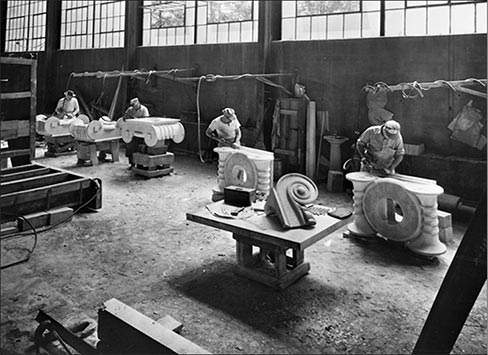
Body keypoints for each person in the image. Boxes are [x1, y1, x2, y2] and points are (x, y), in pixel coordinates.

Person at [124, 97, 150, 168]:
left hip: (141, 132)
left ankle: (140, 164)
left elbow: (146, 120)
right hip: (132, 131)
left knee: (140, 148)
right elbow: (124, 118)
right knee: (130, 147)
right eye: (132, 106)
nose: (133, 107)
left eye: (134, 105)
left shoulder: (144, 109)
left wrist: (136, 120)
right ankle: (132, 164)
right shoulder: (130, 109)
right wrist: (127, 117)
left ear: (138, 103)